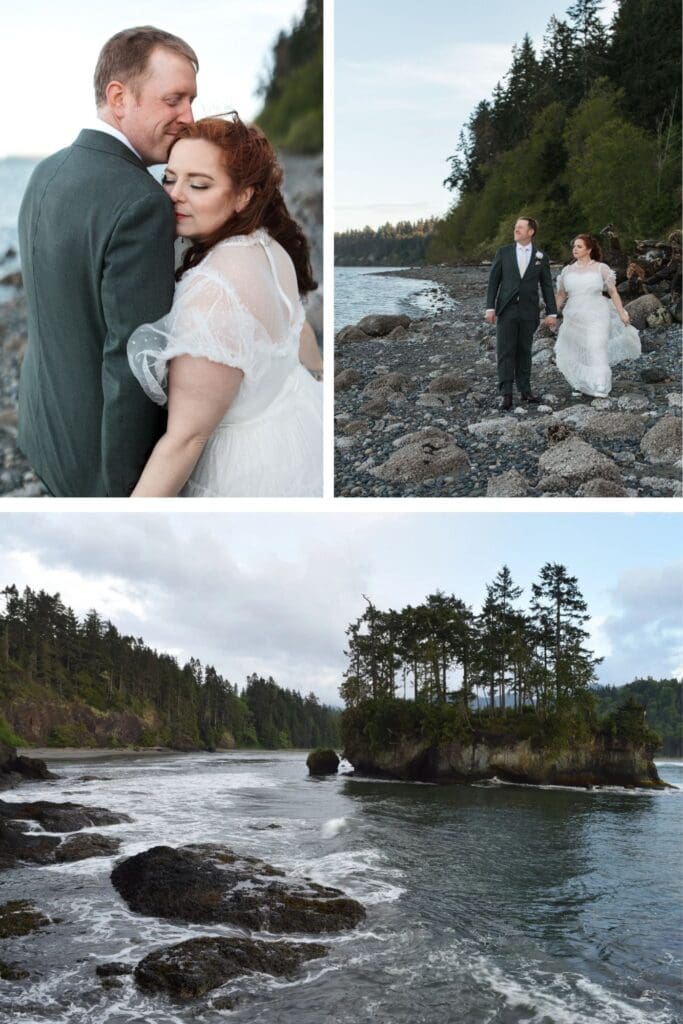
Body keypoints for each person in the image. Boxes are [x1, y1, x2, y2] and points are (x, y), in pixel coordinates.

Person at [17, 26, 198, 497]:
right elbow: (134, 364)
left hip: (43, 435)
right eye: (174, 100)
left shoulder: (45, 171)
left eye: (192, 100)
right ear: (119, 98)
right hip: (98, 469)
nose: (189, 117)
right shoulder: (142, 203)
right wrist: (127, 492)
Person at [127, 114, 323, 497]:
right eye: (169, 178)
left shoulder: (215, 290)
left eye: (198, 184)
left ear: (242, 196)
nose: (174, 194)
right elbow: (300, 330)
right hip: (293, 433)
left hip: (245, 471)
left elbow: (185, 440)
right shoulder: (270, 246)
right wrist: (319, 372)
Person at [553, 235, 641, 397]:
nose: (575, 249)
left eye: (579, 246)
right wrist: (551, 313)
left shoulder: (601, 268)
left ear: (589, 249)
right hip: (573, 316)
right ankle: (581, 382)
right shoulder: (567, 271)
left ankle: (601, 383)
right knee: (575, 349)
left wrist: (622, 312)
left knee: (596, 346)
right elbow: (561, 295)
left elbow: (613, 292)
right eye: (574, 246)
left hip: (597, 312)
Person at [485, 216, 558, 410]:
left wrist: (552, 312)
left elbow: (547, 285)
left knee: (525, 351)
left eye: (520, 227)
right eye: (516, 227)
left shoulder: (540, 256)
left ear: (531, 231)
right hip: (506, 309)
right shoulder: (504, 253)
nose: (516, 229)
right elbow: (494, 281)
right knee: (505, 351)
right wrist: (490, 308)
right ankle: (506, 394)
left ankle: (525, 391)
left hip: (529, 310)